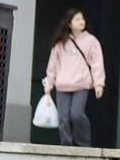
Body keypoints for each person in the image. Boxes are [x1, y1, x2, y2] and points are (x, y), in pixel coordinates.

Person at [42, 9, 104, 147]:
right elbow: (53, 64)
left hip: (81, 84)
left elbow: (97, 63)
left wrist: (99, 84)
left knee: (76, 114)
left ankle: (83, 144)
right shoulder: (60, 42)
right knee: (63, 117)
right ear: (69, 24)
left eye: (82, 19)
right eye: (77, 19)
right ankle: (66, 144)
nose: (81, 22)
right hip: (62, 84)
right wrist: (49, 84)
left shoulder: (91, 41)